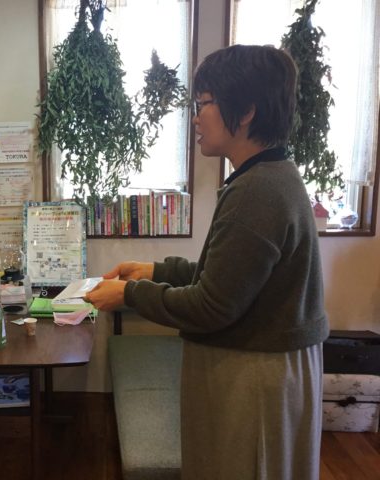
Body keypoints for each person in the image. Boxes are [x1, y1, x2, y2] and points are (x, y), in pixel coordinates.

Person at [85, 45, 328, 480]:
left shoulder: (257, 191)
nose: (195, 118)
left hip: (254, 377)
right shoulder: (268, 177)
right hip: (261, 367)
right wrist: (154, 271)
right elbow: (227, 275)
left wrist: (130, 294)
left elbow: (212, 305)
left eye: (203, 104)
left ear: (247, 111)